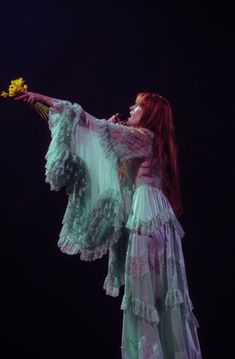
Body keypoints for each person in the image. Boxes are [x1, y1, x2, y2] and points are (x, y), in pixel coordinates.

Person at [15, 90, 203, 358]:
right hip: (161, 218)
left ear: (149, 115)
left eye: (138, 107)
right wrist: (117, 130)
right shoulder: (153, 140)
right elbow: (115, 151)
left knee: (145, 293)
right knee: (164, 292)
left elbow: (90, 123)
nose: (131, 108)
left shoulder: (143, 137)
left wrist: (43, 99)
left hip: (146, 218)